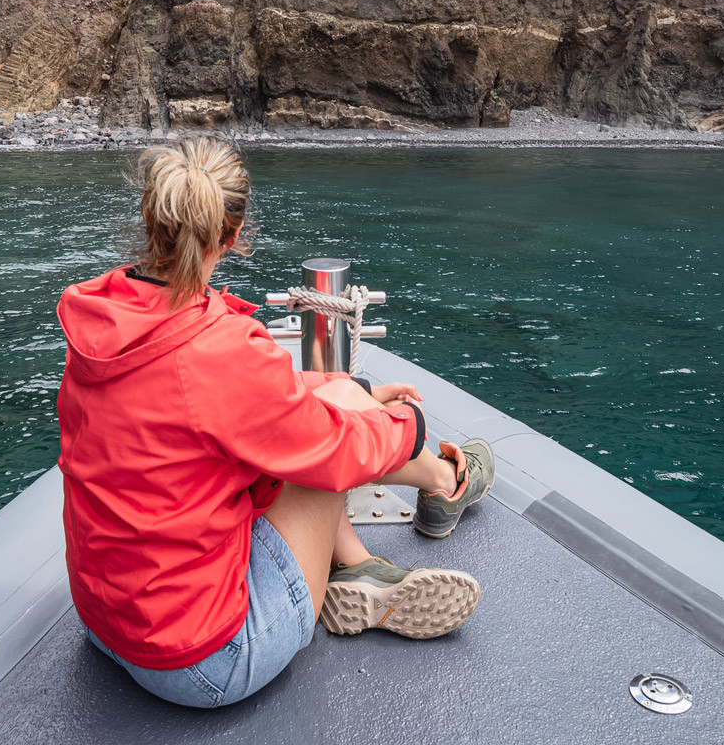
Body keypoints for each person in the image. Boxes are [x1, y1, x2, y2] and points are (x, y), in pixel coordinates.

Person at [55, 135, 495, 708]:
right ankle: (445, 482)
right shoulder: (220, 349)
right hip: (207, 662)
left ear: (150, 218)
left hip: (107, 621)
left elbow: (234, 402)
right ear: (233, 237)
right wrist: (406, 423)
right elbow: (331, 451)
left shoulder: (102, 320)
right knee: (332, 441)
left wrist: (352, 389)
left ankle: (359, 564)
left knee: (336, 398)